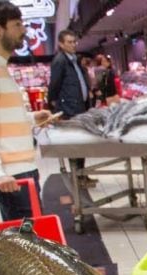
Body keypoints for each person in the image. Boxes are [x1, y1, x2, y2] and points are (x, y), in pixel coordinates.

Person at [0, 0, 52, 220]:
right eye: (17, 25)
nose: (24, 30)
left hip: (21, 171)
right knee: (27, 243)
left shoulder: (2, 69)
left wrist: (31, 118)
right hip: (12, 177)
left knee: (29, 239)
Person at [48, 29, 96, 187]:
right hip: (70, 109)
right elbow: (54, 85)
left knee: (81, 143)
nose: (73, 44)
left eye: (74, 41)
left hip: (80, 107)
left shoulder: (74, 60)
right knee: (75, 144)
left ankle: (81, 175)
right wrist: (55, 106)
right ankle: (77, 177)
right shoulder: (60, 61)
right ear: (61, 44)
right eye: (69, 42)